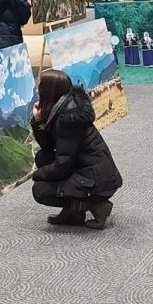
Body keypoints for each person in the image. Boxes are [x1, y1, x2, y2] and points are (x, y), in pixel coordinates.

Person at [30, 70, 123, 229]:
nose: (37, 90)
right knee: (42, 157)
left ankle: (96, 206)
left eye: (40, 87)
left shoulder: (67, 119)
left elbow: (63, 164)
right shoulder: (64, 107)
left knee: (40, 190)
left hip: (99, 181)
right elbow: (48, 147)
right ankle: (73, 212)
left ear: (49, 91)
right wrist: (37, 121)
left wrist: (38, 174)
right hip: (90, 170)